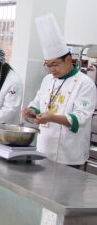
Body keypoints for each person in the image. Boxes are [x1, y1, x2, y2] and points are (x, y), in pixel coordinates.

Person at [22, 13, 97, 168]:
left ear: (68, 60)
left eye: (55, 64)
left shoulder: (85, 83)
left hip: (69, 155)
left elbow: (80, 118)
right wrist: (31, 111)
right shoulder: (48, 79)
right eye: (48, 65)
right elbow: (38, 102)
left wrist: (51, 118)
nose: (51, 70)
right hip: (43, 150)